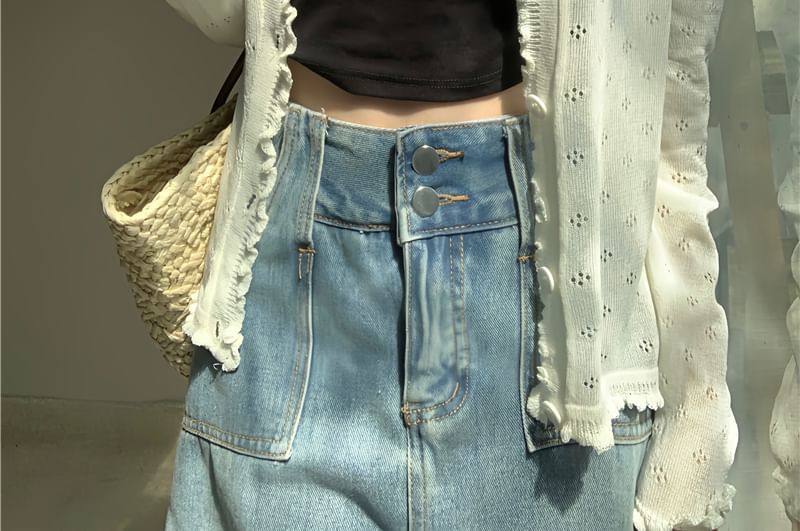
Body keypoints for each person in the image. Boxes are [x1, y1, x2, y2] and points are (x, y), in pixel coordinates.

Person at [162, 1, 745, 529]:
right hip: (305, 270)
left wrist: (698, 387)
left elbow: (672, 82)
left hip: (553, 324)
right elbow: (224, 15)